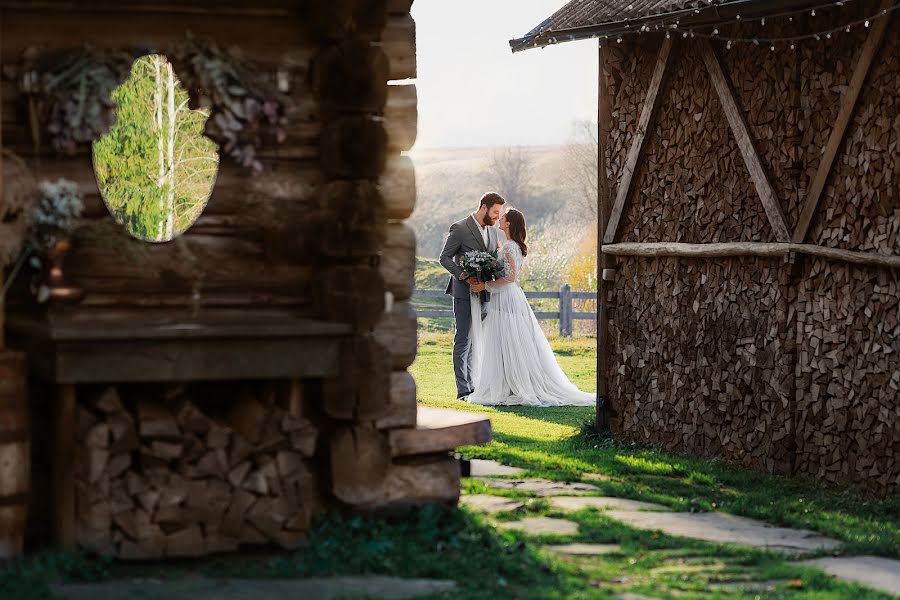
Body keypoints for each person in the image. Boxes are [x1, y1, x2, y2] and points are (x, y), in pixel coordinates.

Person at [466, 208, 595, 407]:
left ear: (508, 223)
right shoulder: (511, 246)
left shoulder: (510, 248)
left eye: (503, 217)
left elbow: (509, 277)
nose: (500, 218)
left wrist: (486, 285)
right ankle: (510, 382)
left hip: (507, 297)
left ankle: (516, 384)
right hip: (510, 296)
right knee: (508, 339)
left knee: (509, 338)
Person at [439, 192, 504, 401]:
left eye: (499, 214)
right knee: (463, 339)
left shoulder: (494, 233)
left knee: (478, 340)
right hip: (463, 293)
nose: (496, 217)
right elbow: (445, 257)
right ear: (484, 207)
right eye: (495, 212)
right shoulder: (459, 228)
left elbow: (496, 262)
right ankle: (463, 390)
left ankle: (475, 385)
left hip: (485, 294)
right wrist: (462, 274)